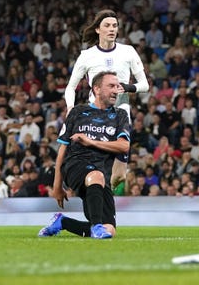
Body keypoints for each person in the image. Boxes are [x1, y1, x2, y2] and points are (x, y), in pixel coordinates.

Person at [38, 71, 131, 239]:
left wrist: (91, 142)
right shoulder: (78, 112)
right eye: (111, 86)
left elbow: (124, 146)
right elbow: (62, 149)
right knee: (95, 175)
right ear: (96, 89)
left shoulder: (120, 115)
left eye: (117, 86)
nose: (116, 90)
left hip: (101, 176)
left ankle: (62, 222)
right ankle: (96, 227)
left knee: (109, 229)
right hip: (75, 165)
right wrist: (57, 186)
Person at [64, 9, 148, 188]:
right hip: (95, 114)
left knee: (119, 177)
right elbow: (71, 87)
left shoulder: (128, 51)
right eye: (107, 25)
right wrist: (70, 107)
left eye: (115, 26)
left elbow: (145, 85)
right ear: (97, 30)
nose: (112, 29)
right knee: (96, 171)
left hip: (120, 114)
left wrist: (126, 87)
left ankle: (103, 205)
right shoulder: (87, 55)